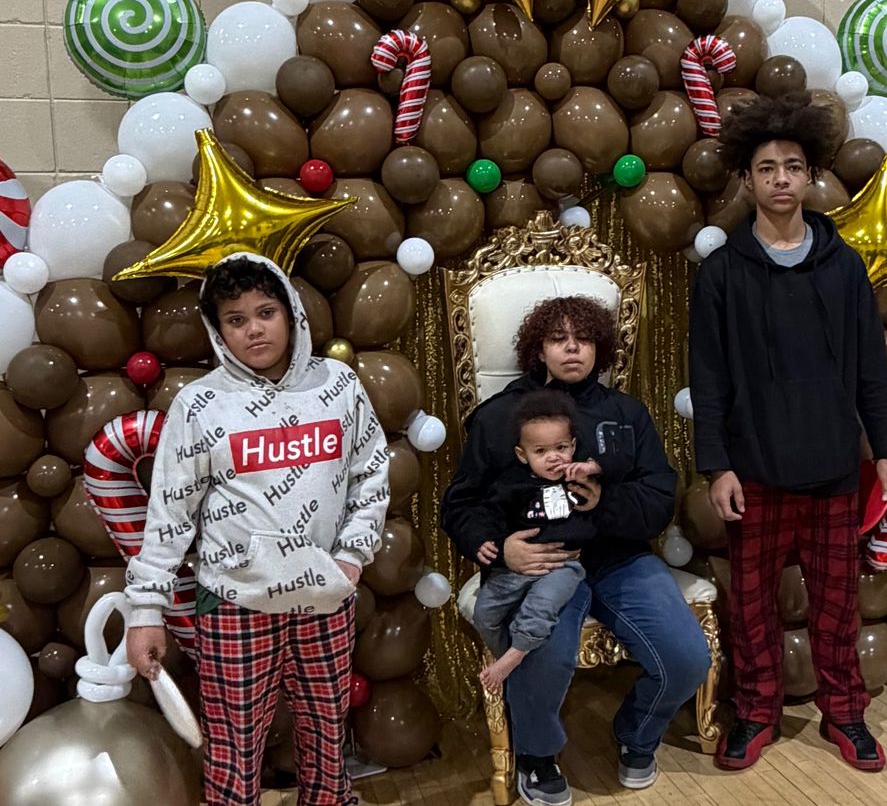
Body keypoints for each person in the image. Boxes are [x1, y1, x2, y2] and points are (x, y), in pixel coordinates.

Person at [689, 92, 887, 773]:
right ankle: (757, 712)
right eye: (766, 168)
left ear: (811, 176)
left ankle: (845, 711)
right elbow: (709, 378)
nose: (780, 179)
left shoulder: (843, 268)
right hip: (753, 472)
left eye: (792, 166)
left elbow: (871, 368)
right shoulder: (722, 273)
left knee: (837, 606)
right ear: (746, 179)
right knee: (752, 608)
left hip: (834, 469)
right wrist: (717, 466)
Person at [125, 253, 389, 806]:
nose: (254, 329)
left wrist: (352, 555)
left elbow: (370, 473)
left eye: (266, 312)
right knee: (233, 746)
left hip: (324, 595)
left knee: (327, 734)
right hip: (233, 602)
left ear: (290, 313)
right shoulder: (199, 405)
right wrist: (145, 611)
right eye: (236, 319)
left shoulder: (338, 384)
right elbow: (170, 513)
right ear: (217, 329)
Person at [442, 295, 710, 806]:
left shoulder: (626, 413)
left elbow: (658, 497)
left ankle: (637, 736)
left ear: (600, 347)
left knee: (686, 657)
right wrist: (501, 552)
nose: (572, 348)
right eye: (558, 338)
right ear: (538, 348)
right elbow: (463, 502)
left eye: (583, 338)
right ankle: (537, 755)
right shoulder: (499, 418)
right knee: (541, 650)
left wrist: (604, 500)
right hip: (540, 564)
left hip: (619, 559)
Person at [473, 389, 599, 693]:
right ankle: (511, 660)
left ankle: (516, 655)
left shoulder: (578, 483)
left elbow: (591, 522)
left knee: (540, 606)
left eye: (560, 447)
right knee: (484, 612)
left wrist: (593, 489)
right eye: (540, 451)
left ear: (573, 447)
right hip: (514, 569)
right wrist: (486, 541)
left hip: (561, 566)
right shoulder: (510, 485)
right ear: (522, 455)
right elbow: (489, 515)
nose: (553, 457)